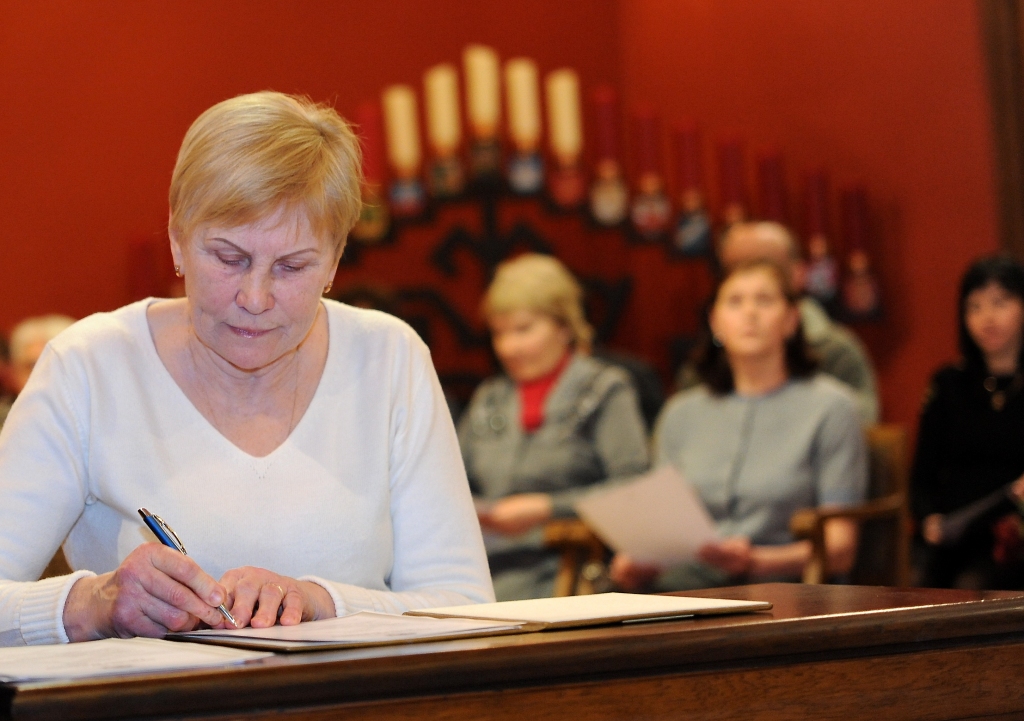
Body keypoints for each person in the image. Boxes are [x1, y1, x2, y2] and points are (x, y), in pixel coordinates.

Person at [0, 91, 493, 647]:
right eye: (228, 258)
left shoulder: (389, 358)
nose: (255, 298)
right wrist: (95, 604)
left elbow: (467, 608)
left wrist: (321, 602)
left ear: (335, 261)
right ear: (177, 239)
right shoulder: (89, 367)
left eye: (292, 266)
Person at [612, 258, 867, 591]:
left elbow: (840, 549)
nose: (750, 313)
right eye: (735, 301)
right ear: (715, 322)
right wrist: (637, 560)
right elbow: (660, 527)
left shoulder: (832, 407)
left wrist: (757, 561)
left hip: (784, 590)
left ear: (791, 320)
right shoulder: (680, 413)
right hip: (683, 588)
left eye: (764, 300)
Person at [458, 253, 650, 600]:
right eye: (499, 333)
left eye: (523, 329)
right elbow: (447, 483)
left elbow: (634, 489)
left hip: (571, 569)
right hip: (482, 566)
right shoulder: (489, 397)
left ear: (564, 326)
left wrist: (547, 507)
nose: (508, 347)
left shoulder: (604, 388)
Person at [676, 221, 879, 424]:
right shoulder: (702, 368)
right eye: (734, 268)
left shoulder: (835, 352)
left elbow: (861, 423)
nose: (749, 309)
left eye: (764, 266)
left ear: (798, 273)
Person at [912, 255, 1024, 589]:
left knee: (972, 586)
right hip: (954, 531)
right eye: (974, 307)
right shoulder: (948, 384)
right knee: (916, 587)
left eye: (1000, 303)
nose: (987, 318)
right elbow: (922, 473)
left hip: (1012, 536)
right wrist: (927, 517)